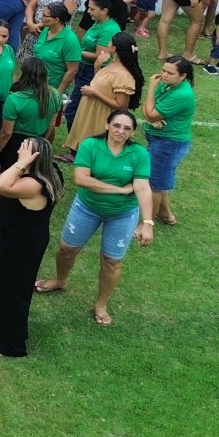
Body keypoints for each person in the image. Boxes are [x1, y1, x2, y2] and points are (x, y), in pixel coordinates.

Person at [41, 109, 155, 326]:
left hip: (122, 214)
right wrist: (120, 190)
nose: (121, 131)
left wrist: (147, 222)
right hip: (87, 207)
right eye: (117, 125)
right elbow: (81, 179)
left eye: (127, 128)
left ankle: (101, 304)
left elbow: (142, 187)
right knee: (67, 249)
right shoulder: (90, 145)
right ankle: (60, 280)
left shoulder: (139, 154)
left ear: (132, 132)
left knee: (111, 261)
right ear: (107, 125)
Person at [0, 138, 61, 357]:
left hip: (20, 244)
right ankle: (7, 322)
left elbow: (0, 184)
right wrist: (6, 199)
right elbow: (11, 193)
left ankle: (12, 345)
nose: (19, 150)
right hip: (20, 239)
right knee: (10, 285)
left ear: (33, 156)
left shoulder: (34, 182)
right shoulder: (48, 173)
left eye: (24, 148)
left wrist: (20, 163)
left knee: (13, 288)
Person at [140, 57, 197, 226]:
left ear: (183, 76)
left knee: (154, 184)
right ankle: (165, 214)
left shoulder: (181, 94)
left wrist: (151, 88)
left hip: (168, 144)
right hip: (161, 141)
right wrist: (150, 117)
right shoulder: (168, 85)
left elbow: (150, 112)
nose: (163, 75)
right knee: (160, 179)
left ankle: (147, 224)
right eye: (163, 70)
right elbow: (146, 108)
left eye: (169, 73)